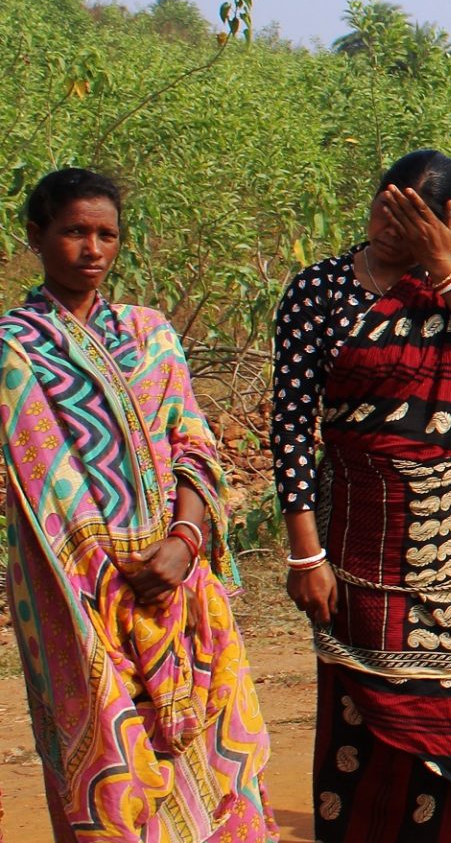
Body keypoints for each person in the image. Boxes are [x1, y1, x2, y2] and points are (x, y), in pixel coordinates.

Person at [274, 150, 451, 841]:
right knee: (374, 713)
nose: (386, 224)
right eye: (383, 206)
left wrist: (446, 271)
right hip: (363, 542)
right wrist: (303, 554)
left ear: (444, 220)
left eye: (408, 217)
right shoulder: (319, 290)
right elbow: (288, 425)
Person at [3, 168, 273, 842]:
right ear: (36, 237)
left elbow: (195, 446)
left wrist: (184, 542)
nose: (92, 249)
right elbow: (38, 483)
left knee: (216, 761)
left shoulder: (150, 333)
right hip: (76, 600)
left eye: (107, 235)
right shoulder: (13, 348)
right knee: (105, 758)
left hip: (179, 587)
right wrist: (111, 571)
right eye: (73, 232)